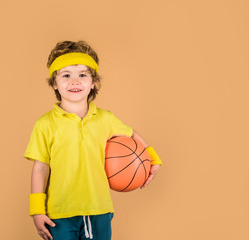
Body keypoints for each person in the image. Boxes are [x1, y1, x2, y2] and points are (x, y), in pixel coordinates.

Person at [23, 40, 162, 240]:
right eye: (66, 75)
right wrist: (37, 209)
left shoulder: (106, 119)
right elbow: (40, 168)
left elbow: (132, 135)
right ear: (54, 82)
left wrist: (153, 158)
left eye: (82, 75)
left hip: (99, 209)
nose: (75, 81)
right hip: (59, 213)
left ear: (93, 82)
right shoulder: (45, 124)